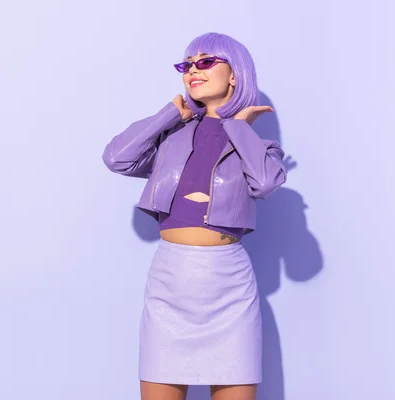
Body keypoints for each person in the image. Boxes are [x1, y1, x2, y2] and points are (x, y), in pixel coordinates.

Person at [102, 32, 287, 400]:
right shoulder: (171, 138)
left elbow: (265, 183)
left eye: (205, 62)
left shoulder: (259, 147)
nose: (192, 71)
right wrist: (170, 114)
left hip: (229, 287)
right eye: (186, 65)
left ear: (234, 75)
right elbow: (116, 158)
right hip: (171, 281)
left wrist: (238, 128)